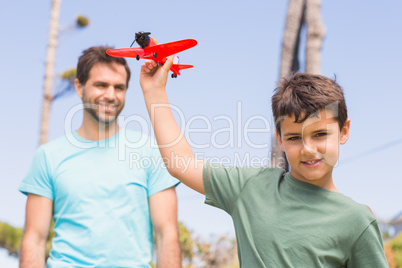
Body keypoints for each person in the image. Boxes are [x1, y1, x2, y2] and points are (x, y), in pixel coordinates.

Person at [139, 57, 388, 267]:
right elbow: (180, 162)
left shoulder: (357, 221)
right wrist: (154, 92)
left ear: (344, 131)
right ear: (280, 139)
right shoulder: (251, 187)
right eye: (294, 137)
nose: (308, 149)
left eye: (320, 134)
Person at [19, 46, 181, 268]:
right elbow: (34, 241)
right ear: (79, 87)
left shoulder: (151, 152)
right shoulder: (48, 156)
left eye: (119, 87)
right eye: (101, 85)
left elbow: (167, 235)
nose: (111, 95)